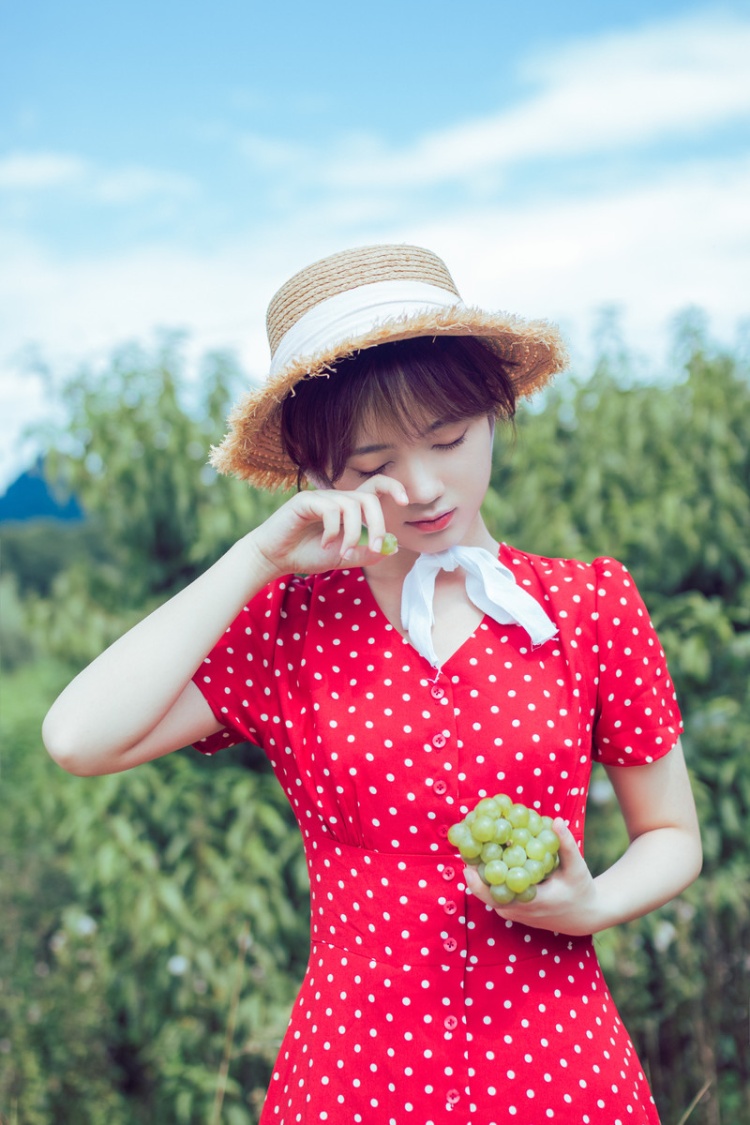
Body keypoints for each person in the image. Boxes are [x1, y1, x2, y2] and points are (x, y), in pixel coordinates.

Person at [43, 243, 702, 1125]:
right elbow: (78, 736)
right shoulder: (287, 627)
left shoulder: (589, 605)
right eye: (369, 465)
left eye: (451, 438)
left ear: (494, 416)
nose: (424, 487)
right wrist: (255, 560)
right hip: (354, 1075)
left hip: (560, 1069)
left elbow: (670, 831)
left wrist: (594, 903)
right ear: (316, 472)